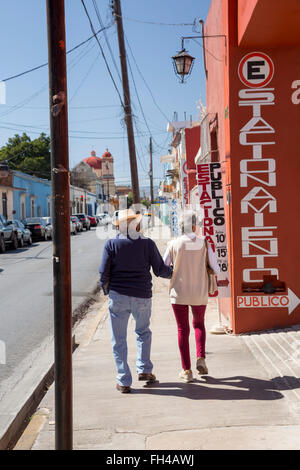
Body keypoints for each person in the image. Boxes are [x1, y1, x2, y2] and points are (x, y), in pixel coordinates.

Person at [99, 208, 173, 393]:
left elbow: (103, 272)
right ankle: (145, 370)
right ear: (137, 224)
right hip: (142, 296)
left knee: (118, 339)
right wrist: (176, 273)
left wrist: (107, 290)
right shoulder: (147, 244)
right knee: (143, 332)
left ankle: (124, 380)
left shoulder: (111, 244)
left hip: (118, 296)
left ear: (119, 226)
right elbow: (159, 270)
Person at [163, 210, 220, 383]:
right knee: (199, 325)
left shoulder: (173, 243)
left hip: (178, 293)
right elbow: (216, 269)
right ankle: (201, 357)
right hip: (199, 292)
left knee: (182, 329)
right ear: (194, 226)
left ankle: (186, 371)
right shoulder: (204, 243)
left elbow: (164, 266)